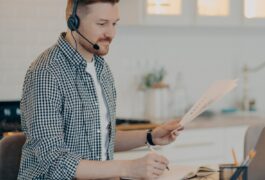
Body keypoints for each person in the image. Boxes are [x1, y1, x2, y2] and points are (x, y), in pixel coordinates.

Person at [18, 0, 182, 179]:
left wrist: (150, 136)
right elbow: (54, 162)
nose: (111, 33)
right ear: (73, 21)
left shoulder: (101, 69)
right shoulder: (46, 72)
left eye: (114, 23)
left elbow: (101, 138)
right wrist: (127, 168)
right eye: (102, 23)